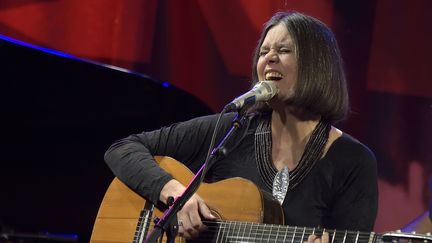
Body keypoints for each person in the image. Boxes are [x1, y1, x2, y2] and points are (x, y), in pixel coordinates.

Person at [105, 11, 378, 242]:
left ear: (318, 66)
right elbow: (122, 149)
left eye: (283, 50)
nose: (269, 58)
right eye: (263, 52)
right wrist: (176, 195)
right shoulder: (232, 130)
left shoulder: (354, 162)